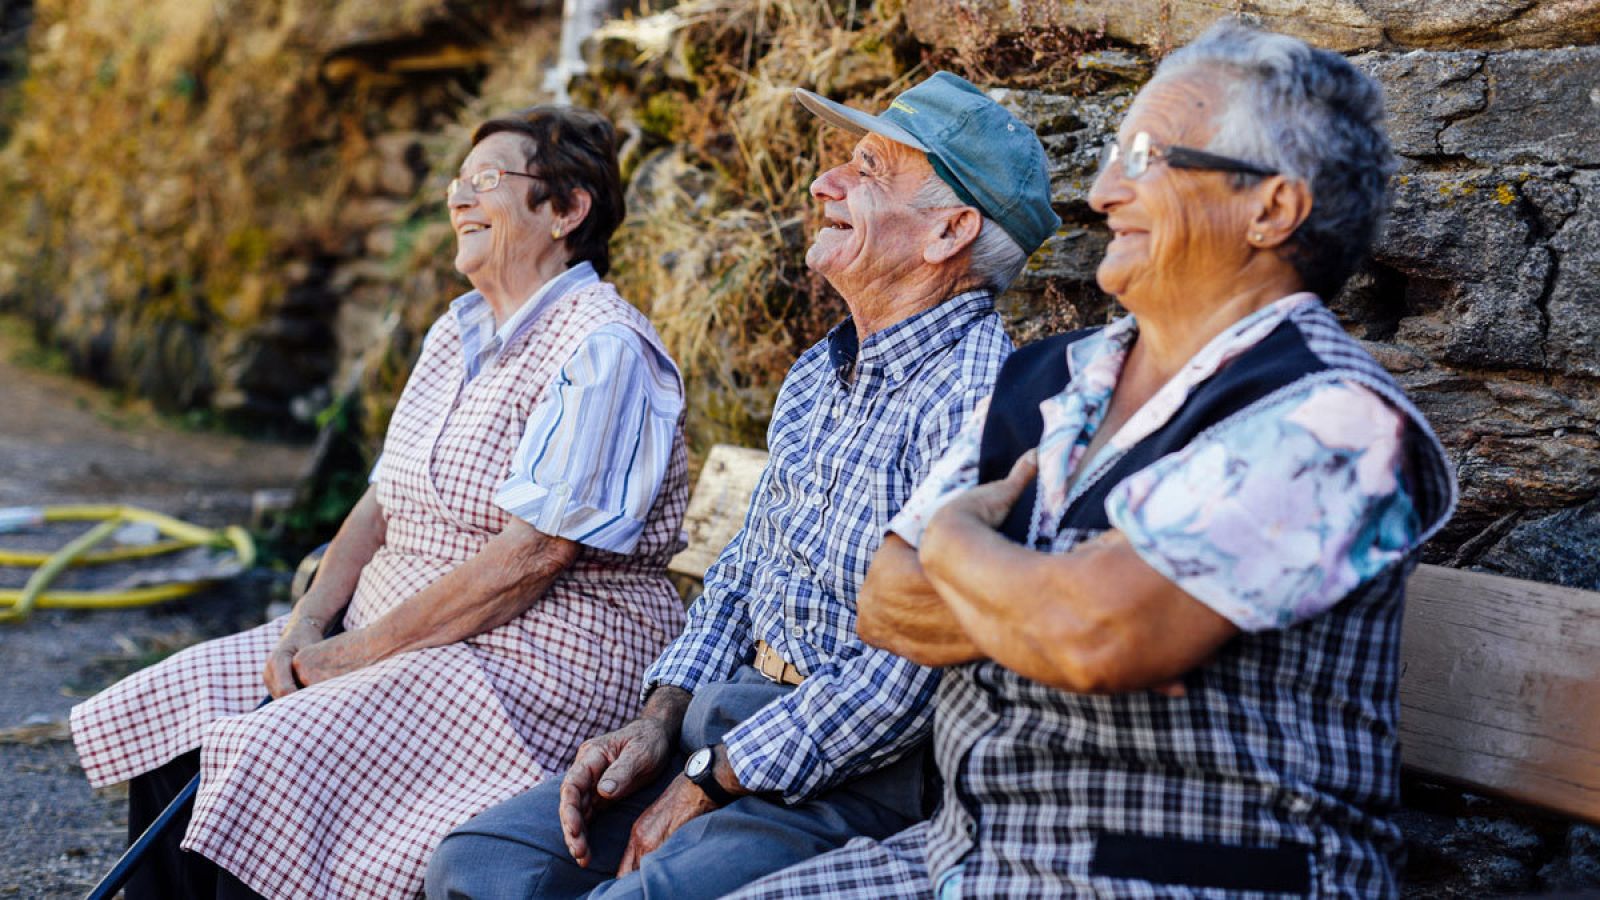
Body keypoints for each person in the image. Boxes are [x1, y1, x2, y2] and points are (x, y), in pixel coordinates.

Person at [729, 20, 1457, 899]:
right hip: (966, 856)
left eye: (1146, 158)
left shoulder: (1333, 416)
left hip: (1185, 876)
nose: (1106, 192)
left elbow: (1096, 635)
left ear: (1271, 209)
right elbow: (888, 606)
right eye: (1115, 156)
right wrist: (1058, 602)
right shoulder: (1054, 377)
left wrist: (957, 542)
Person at [425, 72, 1061, 899]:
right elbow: (742, 571)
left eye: (868, 170)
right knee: (479, 863)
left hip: (852, 778)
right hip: (725, 726)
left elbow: (905, 678)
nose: (824, 182)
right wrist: (658, 721)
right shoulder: (822, 370)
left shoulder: (980, 400)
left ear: (951, 230)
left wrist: (715, 776)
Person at [70, 106, 691, 900]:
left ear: (567, 210)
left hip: (531, 665)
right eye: (457, 182)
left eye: (488, 180)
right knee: (177, 708)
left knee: (268, 760)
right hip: (405, 633)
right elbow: (381, 500)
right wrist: (307, 622)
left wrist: (351, 656)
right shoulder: (458, 331)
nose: (459, 198)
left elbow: (534, 556)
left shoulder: (603, 347)